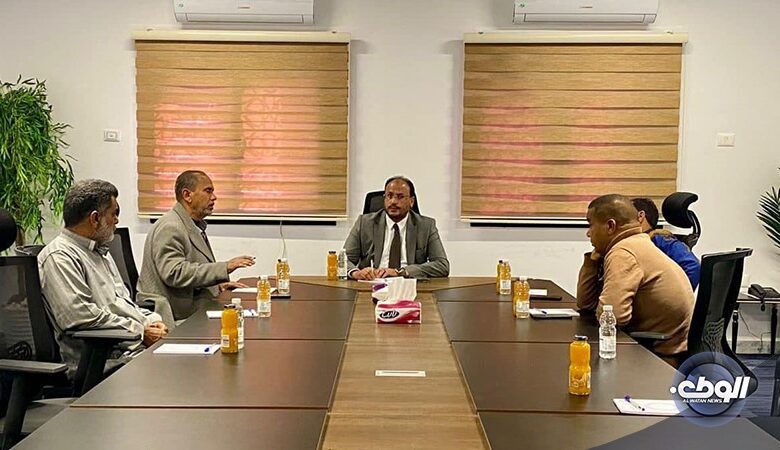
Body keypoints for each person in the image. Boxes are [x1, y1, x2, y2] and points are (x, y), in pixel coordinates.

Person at [38, 179, 167, 379]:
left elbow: (122, 304)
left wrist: (151, 320)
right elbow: (80, 317)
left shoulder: (100, 252)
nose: (117, 220)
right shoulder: (60, 257)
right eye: (114, 214)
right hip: (101, 363)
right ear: (95, 218)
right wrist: (141, 330)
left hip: (130, 350)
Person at [577, 194, 695, 361]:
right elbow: (586, 305)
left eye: (590, 225)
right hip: (669, 349)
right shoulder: (638, 243)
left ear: (610, 226)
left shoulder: (624, 253)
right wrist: (592, 262)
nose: (588, 233)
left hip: (658, 357)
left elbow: (612, 317)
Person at [137, 171, 254, 326]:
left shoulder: (191, 224)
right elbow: (174, 273)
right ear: (187, 195)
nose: (214, 197)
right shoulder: (171, 227)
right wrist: (224, 267)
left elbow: (191, 268)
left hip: (192, 306)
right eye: (208, 191)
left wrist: (216, 286)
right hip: (176, 315)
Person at [344, 176, 449, 280]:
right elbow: (344, 259)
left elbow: (442, 265)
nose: (393, 201)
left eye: (400, 197)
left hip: (409, 284)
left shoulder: (426, 226)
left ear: (411, 201)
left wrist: (401, 272)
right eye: (389, 196)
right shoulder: (364, 223)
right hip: (372, 283)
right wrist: (355, 273)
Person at [631, 197, 701, 290]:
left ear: (641, 216)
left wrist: (676, 294)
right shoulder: (634, 242)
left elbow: (693, 266)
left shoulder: (660, 239)